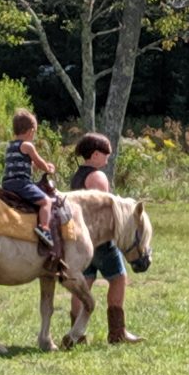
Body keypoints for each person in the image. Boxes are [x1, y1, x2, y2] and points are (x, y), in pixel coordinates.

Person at [68, 132, 142, 344]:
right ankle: (118, 332)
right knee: (118, 279)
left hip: (81, 239)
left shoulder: (78, 176)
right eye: (106, 153)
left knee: (85, 283)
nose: (109, 157)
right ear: (95, 154)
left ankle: (77, 333)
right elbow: (103, 208)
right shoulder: (98, 177)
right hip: (100, 239)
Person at [1, 108, 56, 248]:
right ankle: (44, 229)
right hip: (21, 184)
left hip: (7, 183)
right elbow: (39, 161)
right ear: (31, 131)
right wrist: (47, 168)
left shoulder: (10, 146)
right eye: (35, 133)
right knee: (46, 202)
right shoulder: (27, 145)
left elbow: (26, 163)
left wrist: (36, 166)